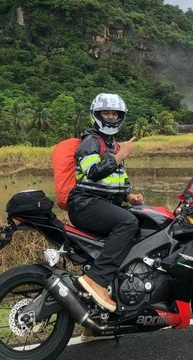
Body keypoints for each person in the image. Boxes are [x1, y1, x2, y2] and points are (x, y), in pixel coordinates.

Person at [68, 93, 144, 312]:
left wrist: (130, 196)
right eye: (106, 113)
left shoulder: (112, 145)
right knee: (128, 223)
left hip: (103, 204)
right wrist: (121, 156)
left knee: (139, 219)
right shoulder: (90, 141)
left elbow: (117, 182)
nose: (110, 117)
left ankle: (94, 322)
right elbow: (93, 172)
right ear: (97, 115)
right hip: (85, 204)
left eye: (114, 114)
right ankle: (97, 280)